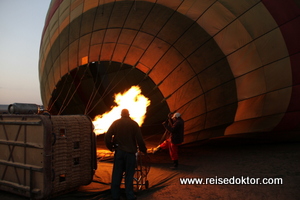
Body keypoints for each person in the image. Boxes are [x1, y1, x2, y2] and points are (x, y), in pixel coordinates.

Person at [104, 109, 147, 200]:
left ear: (121, 114)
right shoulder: (134, 124)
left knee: (117, 174)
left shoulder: (116, 123)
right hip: (130, 153)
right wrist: (144, 150)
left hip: (119, 152)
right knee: (129, 175)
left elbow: (107, 136)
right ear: (128, 114)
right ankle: (130, 196)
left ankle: (115, 195)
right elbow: (140, 139)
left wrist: (111, 147)